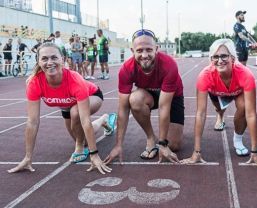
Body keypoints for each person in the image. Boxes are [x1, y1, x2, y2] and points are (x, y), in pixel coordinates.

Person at [7, 42, 115, 175]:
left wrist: (94, 155)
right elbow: (32, 122)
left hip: (92, 95)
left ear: (62, 59)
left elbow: (85, 120)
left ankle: (80, 148)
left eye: (54, 57)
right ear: (38, 62)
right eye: (45, 58)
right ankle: (104, 120)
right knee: (82, 137)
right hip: (67, 106)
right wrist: (28, 157)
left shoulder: (75, 79)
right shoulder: (34, 83)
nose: (50, 62)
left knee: (76, 114)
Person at [104, 29, 184, 164]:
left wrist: (163, 144)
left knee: (174, 146)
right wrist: (118, 145)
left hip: (172, 96)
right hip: (148, 95)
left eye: (149, 50)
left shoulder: (169, 65)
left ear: (156, 49)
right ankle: (150, 138)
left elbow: (164, 106)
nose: (144, 55)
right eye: (140, 50)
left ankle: (166, 137)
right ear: (132, 50)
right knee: (134, 99)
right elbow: (123, 109)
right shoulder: (126, 69)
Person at [181, 39, 257, 163]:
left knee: (244, 107)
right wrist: (196, 152)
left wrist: (255, 151)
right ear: (211, 59)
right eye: (215, 57)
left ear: (233, 58)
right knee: (219, 109)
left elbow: (251, 114)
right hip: (216, 92)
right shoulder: (204, 76)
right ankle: (220, 115)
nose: (219, 60)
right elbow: (200, 114)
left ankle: (238, 139)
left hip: (237, 91)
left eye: (224, 56)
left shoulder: (246, 74)